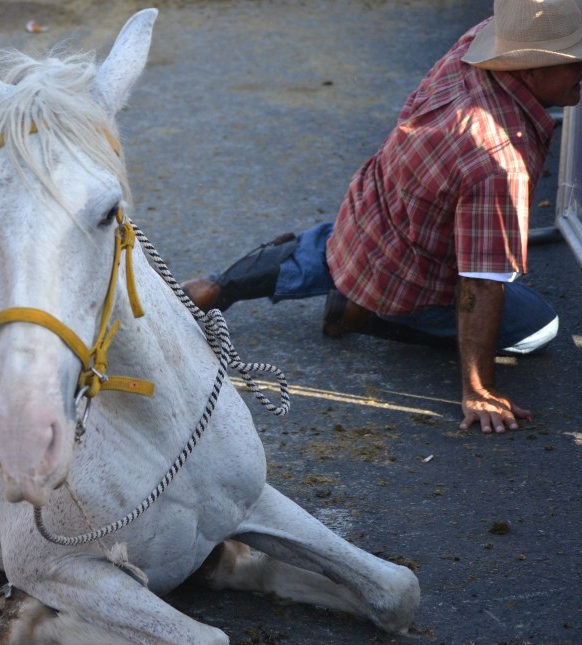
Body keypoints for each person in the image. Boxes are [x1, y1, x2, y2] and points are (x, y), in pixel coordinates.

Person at [182, 0, 582, 435]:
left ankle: (219, 284)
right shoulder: (497, 162)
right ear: (528, 71)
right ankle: (376, 313)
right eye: (575, 62)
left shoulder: (478, 43)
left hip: (369, 211)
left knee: (335, 248)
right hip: (413, 273)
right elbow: (480, 284)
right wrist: (477, 388)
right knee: (541, 328)